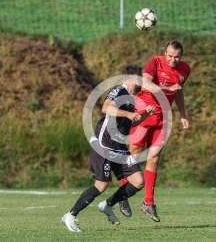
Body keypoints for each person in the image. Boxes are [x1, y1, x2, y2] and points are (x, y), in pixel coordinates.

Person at [61, 65, 156, 232]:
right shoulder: (119, 91)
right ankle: (70, 216)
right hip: (104, 145)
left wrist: (145, 115)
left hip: (119, 146)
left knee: (138, 181)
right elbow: (105, 108)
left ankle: (107, 205)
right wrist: (127, 114)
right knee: (101, 185)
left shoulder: (132, 97)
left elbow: (131, 123)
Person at [119, 41, 191, 222]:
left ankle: (148, 203)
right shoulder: (155, 62)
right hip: (143, 111)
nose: (173, 60)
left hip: (164, 117)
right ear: (165, 52)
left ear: (181, 56)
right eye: (170, 56)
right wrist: (169, 88)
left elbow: (179, 92)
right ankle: (123, 195)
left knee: (154, 158)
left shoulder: (185, 69)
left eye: (177, 57)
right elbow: (144, 85)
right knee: (134, 153)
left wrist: (183, 114)